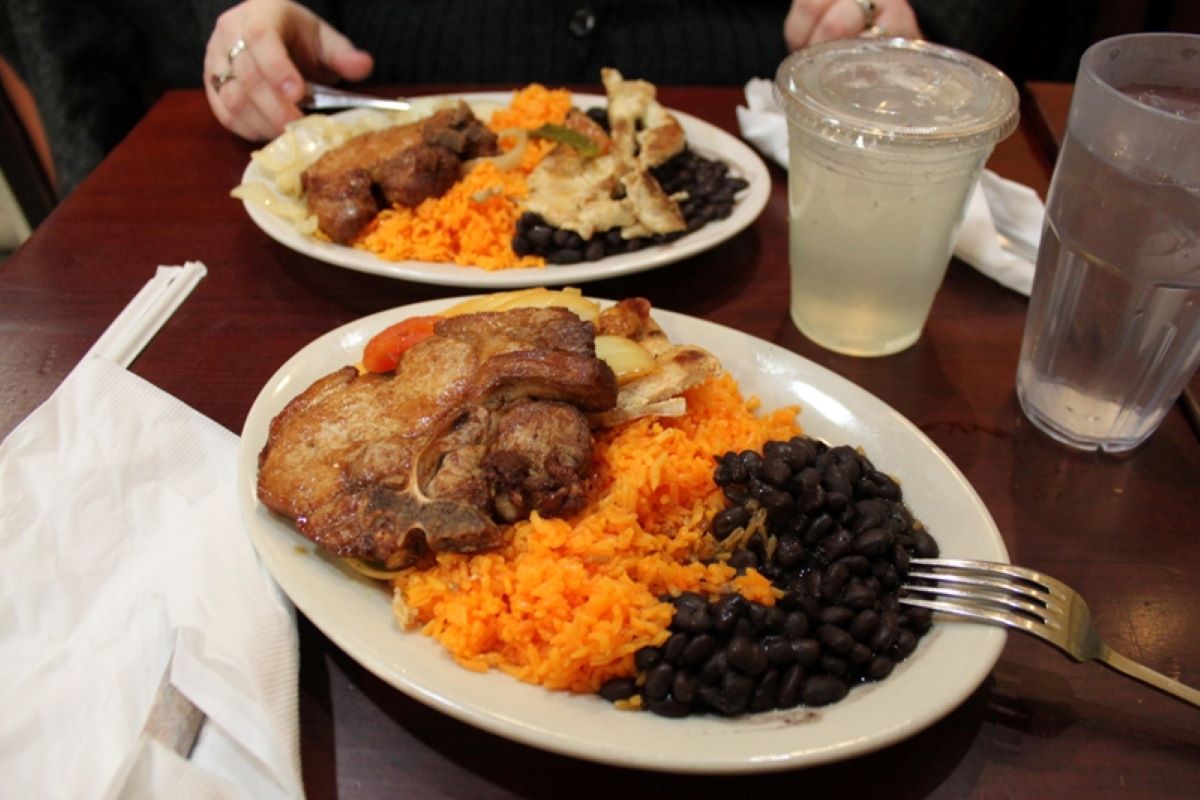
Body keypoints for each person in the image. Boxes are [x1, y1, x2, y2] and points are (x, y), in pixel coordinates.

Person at [204, 0, 929, 142]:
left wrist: (867, 20)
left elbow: (910, 29)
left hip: (765, 239)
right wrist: (257, 19)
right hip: (346, 287)